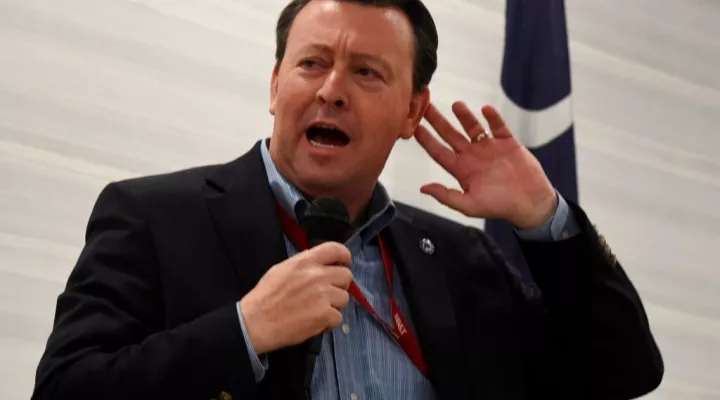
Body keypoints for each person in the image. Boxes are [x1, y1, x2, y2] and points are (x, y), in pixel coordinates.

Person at [31, 0, 664, 399]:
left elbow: (622, 374)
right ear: (276, 84)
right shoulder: (155, 217)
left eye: (366, 72)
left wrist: (542, 218)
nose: (332, 89)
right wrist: (244, 331)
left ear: (413, 109)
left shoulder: (461, 259)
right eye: (311, 64)